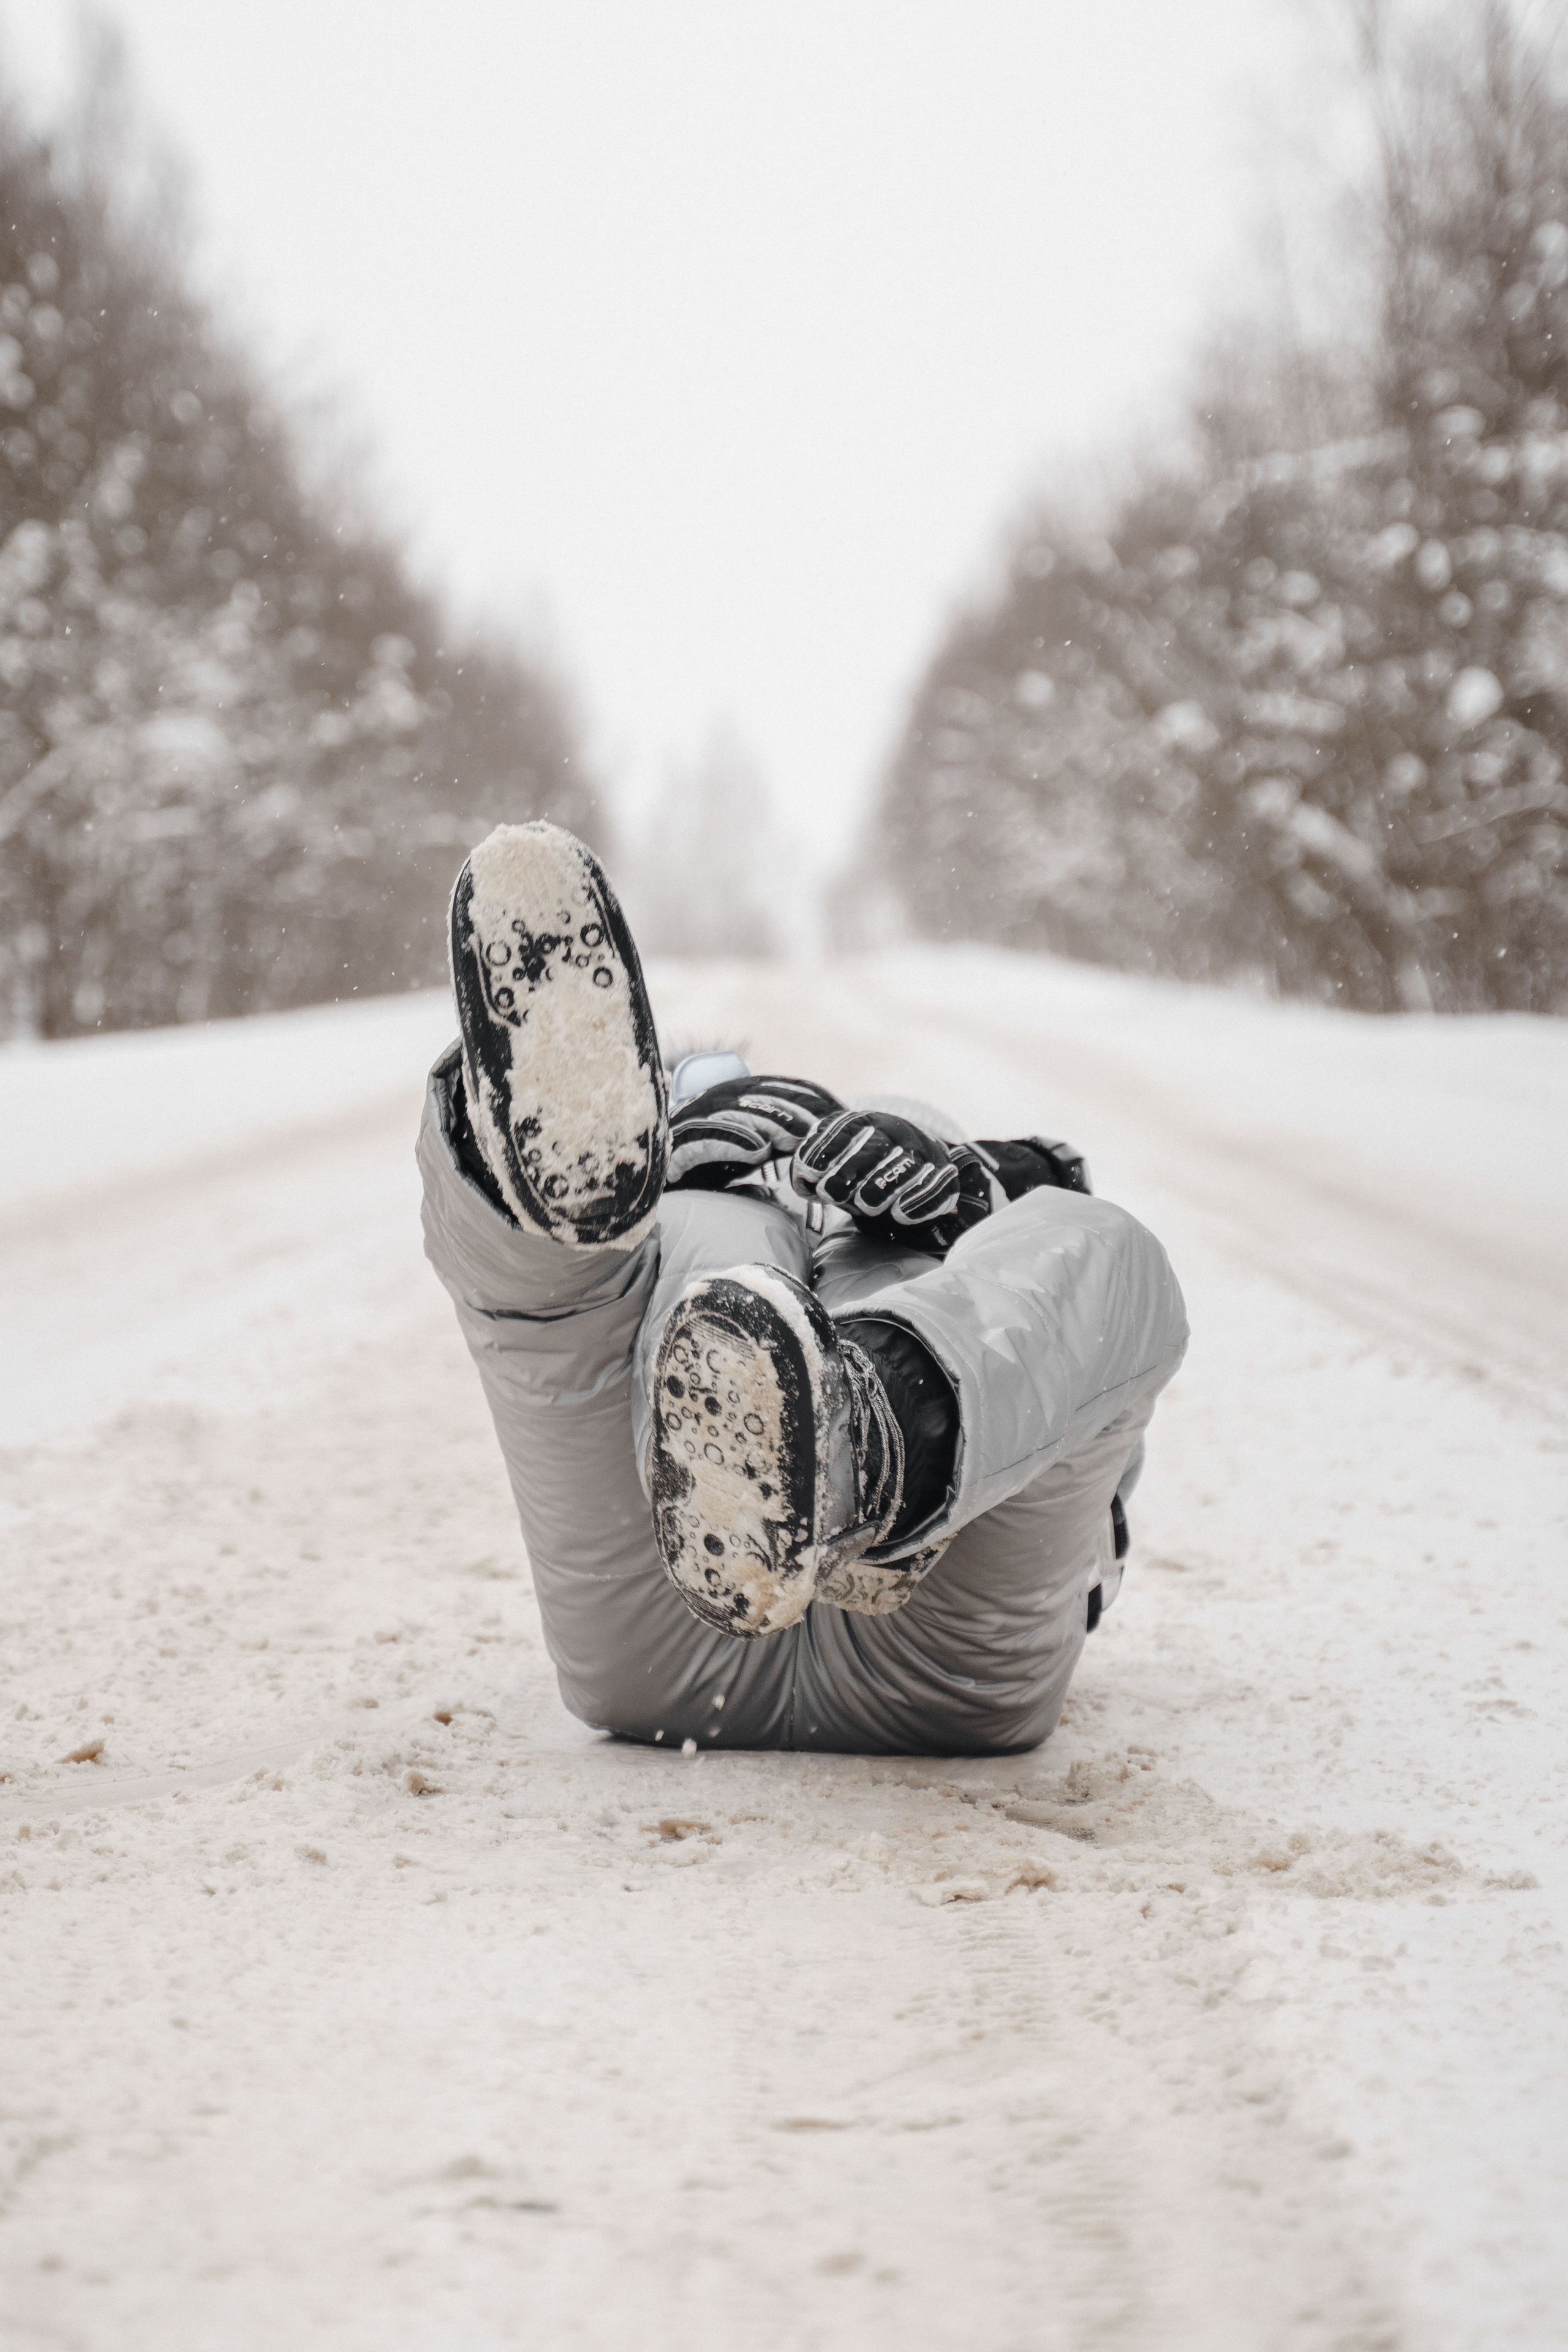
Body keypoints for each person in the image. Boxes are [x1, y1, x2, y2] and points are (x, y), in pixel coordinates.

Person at [418, 820, 1188, 1756]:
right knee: (605, 1273)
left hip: (805, 1653)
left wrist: (969, 1196)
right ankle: (547, 1171)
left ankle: (854, 1446)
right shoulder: (681, 1231)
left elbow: (1073, 1319)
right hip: (772, 1618)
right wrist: (682, 1177)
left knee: (1093, 1240)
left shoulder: (972, 1207)